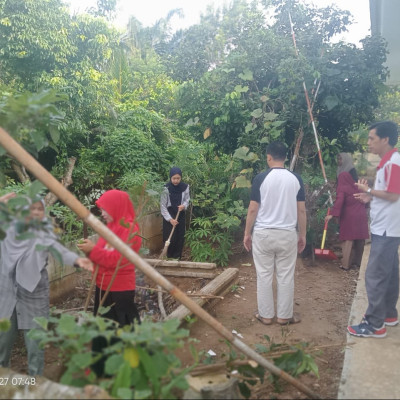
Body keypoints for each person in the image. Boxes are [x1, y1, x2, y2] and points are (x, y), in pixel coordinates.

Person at [0, 195, 93, 376]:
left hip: (33, 292)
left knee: (35, 344)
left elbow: (59, 250)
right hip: (6, 293)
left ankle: (35, 386)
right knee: (3, 342)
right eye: (30, 208)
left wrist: (77, 260)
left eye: (39, 209)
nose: (35, 212)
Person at [77, 189, 142, 375]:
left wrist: (93, 250)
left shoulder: (130, 230)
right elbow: (101, 255)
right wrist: (89, 251)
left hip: (120, 290)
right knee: (102, 326)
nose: (102, 213)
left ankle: (120, 370)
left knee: (119, 328)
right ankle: (101, 367)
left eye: (105, 209)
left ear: (116, 207)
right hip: (103, 285)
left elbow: (118, 260)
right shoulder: (111, 227)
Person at [243, 141, 306, 325]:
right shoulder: (296, 179)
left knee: (264, 275)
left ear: (268, 157)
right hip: (287, 234)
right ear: (285, 158)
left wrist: (247, 232)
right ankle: (284, 316)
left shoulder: (260, 179)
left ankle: (266, 316)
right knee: (285, 276)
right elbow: (301, 211)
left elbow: (253, 209)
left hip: (263, 234)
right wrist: (302, 234)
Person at [348, 121, 400, 338]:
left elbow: (393, 194)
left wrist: (368, 188)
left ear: (385, 139)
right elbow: (388, 193)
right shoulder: (388, 162)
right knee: (389, 271)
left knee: (375, 275)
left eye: (372, 138)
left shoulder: (393, 162)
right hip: (388, 226)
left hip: (387, 228)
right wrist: (370, 197)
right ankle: (388, 314)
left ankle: (374, 324)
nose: (368, 142)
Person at [325, 153, 369, 270]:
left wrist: (332, 214)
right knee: (360, 239)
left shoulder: (343, 186)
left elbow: (339, 201)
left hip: (350, 215)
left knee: (348, 239)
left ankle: (345, 265)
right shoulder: (357, 186)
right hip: (361, 214)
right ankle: (357, 263)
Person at [160, 167, 190, 259]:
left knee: (179, 237)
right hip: (169, 215)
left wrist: (184, 206)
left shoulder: (185, 187)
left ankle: (177, 258)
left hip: (180, 215)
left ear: (181, 178)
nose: (176, 180)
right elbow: (162, 205)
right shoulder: (165, 188)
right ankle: (168, 257)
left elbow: (187, 200)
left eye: (178, 178)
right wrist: (170, 219)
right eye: (174, 178)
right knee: (170, 237)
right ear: (170, 177)